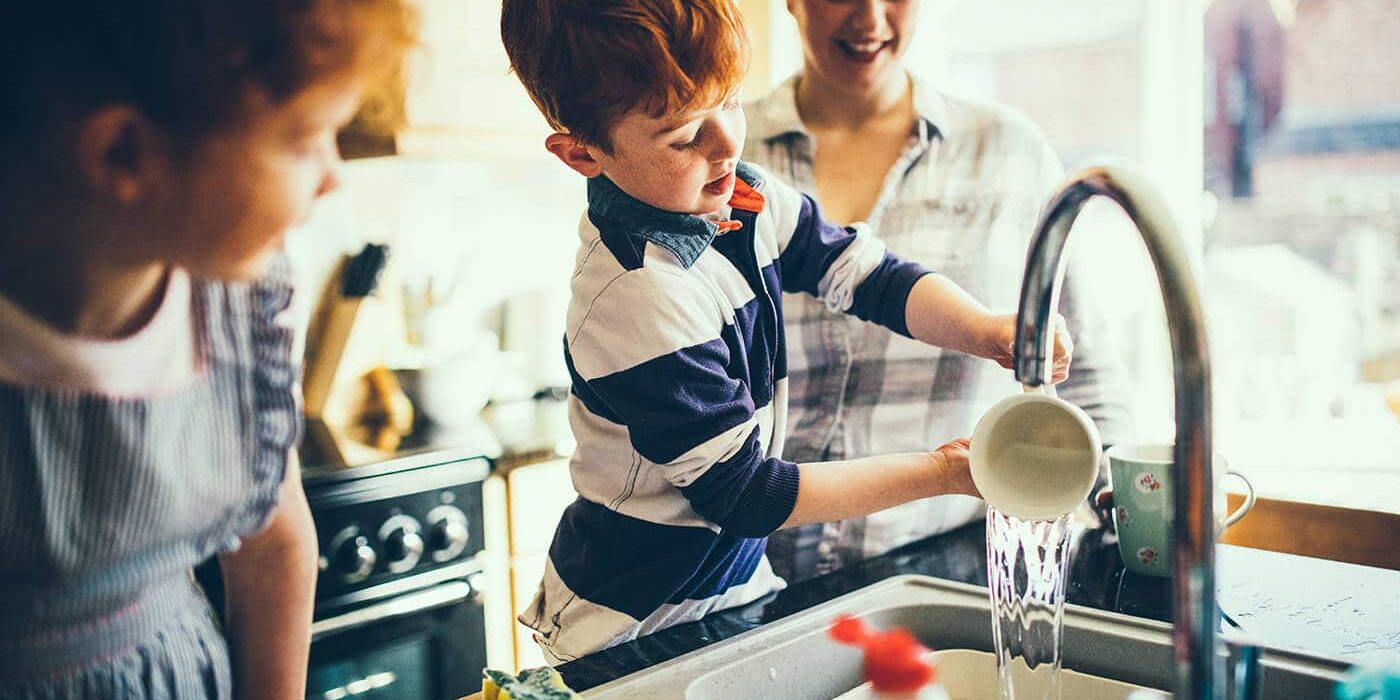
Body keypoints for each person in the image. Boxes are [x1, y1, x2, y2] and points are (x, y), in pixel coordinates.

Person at [499, 0, 1073, 663]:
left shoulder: (739, 196)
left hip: (731, 596)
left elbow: (867, 275)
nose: (727, 144)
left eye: (732, 103)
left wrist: (984, 329)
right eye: (685, 136)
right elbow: (749, 493)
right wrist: (944, 472)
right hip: (633, 628)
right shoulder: (637, 296)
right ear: (581, 153)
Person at [0, 2, 414, 698]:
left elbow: (275, 550)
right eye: (306, 138)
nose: (332, 173)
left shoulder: (234, 309)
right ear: (123, 154)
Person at [744, 0, 1134, 582]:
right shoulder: (720, 156)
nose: (870, 17)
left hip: (947, 572)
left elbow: (1087, 382)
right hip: (744, 581)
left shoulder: (1007, 154)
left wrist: (1126, 511)